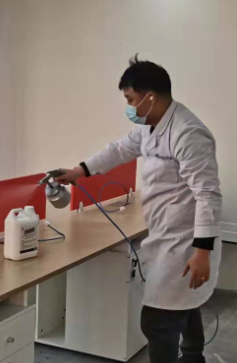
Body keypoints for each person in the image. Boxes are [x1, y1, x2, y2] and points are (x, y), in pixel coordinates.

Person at [55, 56, 222, 363]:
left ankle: (191, 356)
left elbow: (208, 194)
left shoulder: (188, 132)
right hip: (165, 233)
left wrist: (202, 251)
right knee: (182, 304)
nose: (129, 107)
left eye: (130, 99)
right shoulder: (150, 126)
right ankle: (193, 357)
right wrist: (80, 170)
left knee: (158, 321)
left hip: (184, 241)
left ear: (150, 97)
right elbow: (120, 149)